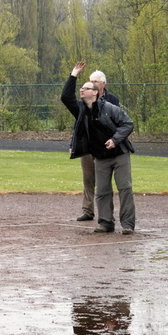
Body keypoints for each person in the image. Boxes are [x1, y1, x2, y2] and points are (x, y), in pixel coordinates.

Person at [61, 62, 136, 234]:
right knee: (102, 191)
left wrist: (115, 140)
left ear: (95, 92)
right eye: (81, 88)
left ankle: (127, 224)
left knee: (124, 188)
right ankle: (106, 223)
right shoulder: (80, 109)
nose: (82, 90)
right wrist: (73, 74)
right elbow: (66, 97)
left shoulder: (110, 107)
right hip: (100, 155)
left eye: (86, 88)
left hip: (119, 153)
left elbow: (128, 123)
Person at [72, 67, 121, 222]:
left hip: (104, 147)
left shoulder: (112, 100)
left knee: (104, 182)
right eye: (90, 81)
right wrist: (73, 143)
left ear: (103, 84)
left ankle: (106, 214)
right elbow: (79, 124)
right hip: (87, 146)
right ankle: (88, 211)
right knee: (88, 179)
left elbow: (117, 122)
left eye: (95, 81)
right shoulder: (84, 101)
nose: (92, 84)